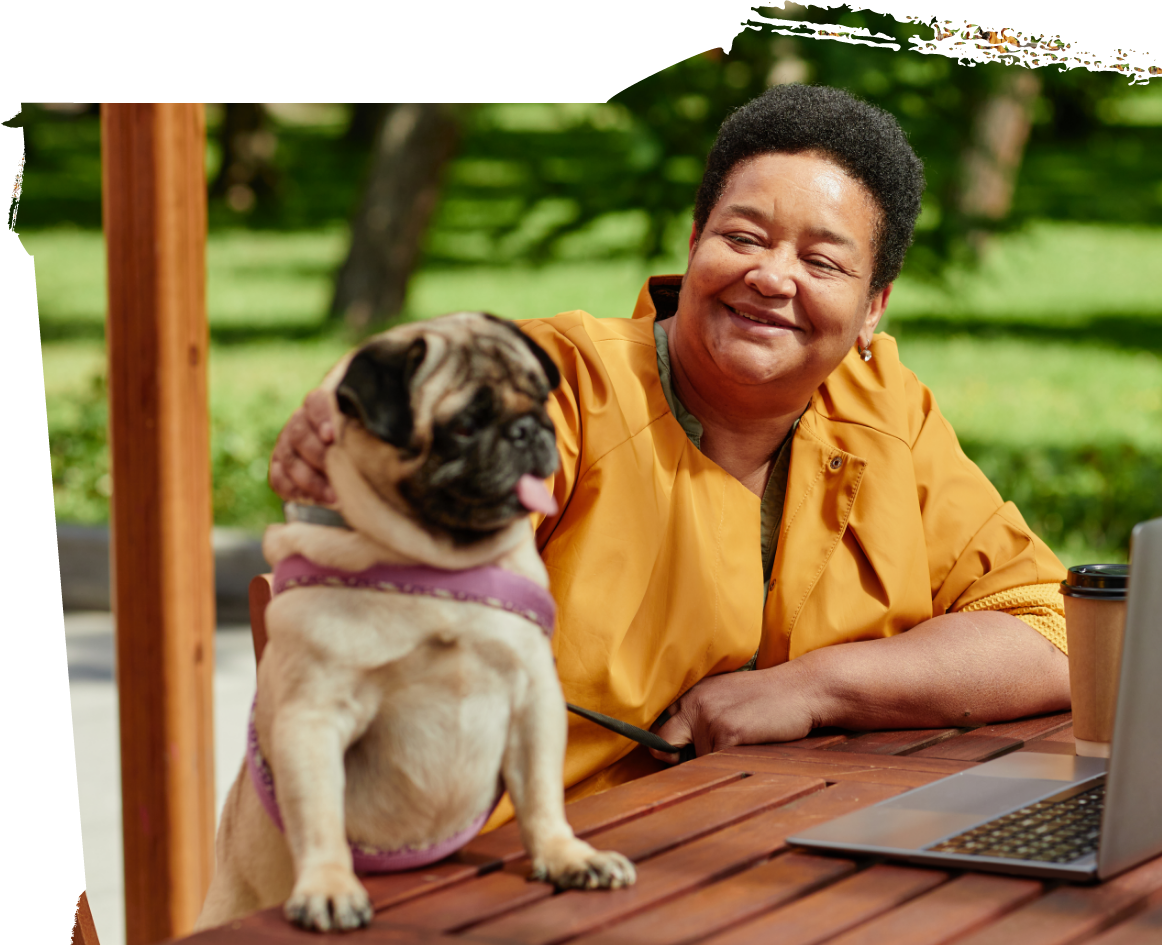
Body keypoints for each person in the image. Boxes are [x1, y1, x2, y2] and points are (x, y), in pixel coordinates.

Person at [270, 85, 1071, 812]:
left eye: (822, 261)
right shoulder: (563, 385)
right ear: (693, 244)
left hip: (790, 841)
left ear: (873, 308)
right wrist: (351, 414)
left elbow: (1054, 631)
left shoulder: (887, 411)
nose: (771, 276)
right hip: (500, 855)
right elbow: (424, 430)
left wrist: (814, 688)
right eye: (742, 236)